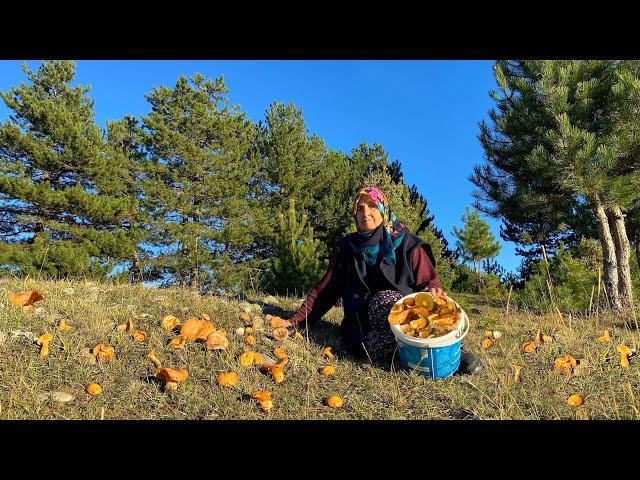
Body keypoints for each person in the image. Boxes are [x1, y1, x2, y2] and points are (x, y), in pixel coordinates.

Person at [266, 186, 481, 375]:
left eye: (372, 206)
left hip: (409, 321)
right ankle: (413, 357)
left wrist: (434, 291)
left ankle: (447, 351)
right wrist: (295, 321)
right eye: (360, 208)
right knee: (374, 330)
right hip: (364, 326)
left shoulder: (406, 243)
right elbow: (325, 290)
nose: (365, 213)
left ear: (383, 210)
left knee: (397, 303)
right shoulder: (347, 249)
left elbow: (429, 282)